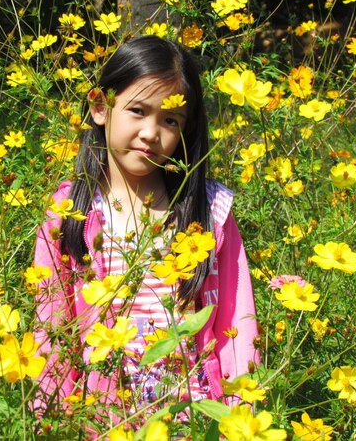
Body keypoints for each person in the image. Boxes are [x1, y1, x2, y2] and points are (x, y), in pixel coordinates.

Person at [33, 36, 259, 421]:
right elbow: (50, 331)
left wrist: (241, 419)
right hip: (100, 421)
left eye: (170, 119)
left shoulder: (209, 212)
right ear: (100, 106)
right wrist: (47, 420)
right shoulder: (68, 214)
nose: (152, 133)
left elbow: (238, 326)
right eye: (137, 110)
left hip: (192, 417)